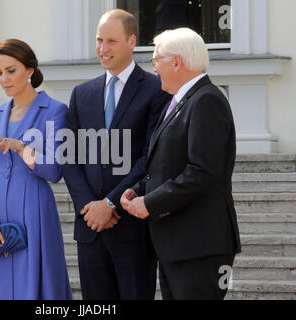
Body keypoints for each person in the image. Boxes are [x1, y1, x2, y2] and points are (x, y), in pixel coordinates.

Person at [121, 28, 241, 300]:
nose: (154, 69)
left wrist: (150, 203)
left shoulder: (206, 100)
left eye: (156, 61)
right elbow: (167, 165)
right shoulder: (180, 101)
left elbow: (203, 171)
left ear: (176, 61)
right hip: (177, 245)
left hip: (200, 246)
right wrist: (139, 190)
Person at [62, 9, 171, 300]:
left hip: (132, 228)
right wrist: (90, 208)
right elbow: (70, 157)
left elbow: (151, 156)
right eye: (99, 40)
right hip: (90, 228)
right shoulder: (81, 94)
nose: (102, 49)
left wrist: (111, 204)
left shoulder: (157, 89)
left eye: (111, 41)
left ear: (132, 41)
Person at [0, 39, 72, 300]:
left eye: (11, 70)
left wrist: (20, 147)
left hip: (34, 212)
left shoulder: (55, 110)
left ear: (29, 70)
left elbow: (54, 171)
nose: (4, 79)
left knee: (35, 288)